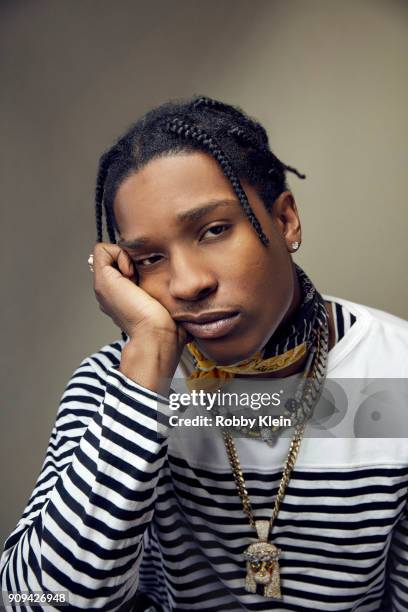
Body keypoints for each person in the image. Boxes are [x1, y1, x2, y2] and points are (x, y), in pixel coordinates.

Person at [1, 96, 407, 612]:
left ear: (285, 221)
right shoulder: (115, 383)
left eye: (214, 230)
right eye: (150, 257)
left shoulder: (397, 373)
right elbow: (33, 602)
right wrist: (145, 368)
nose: (188, 283)